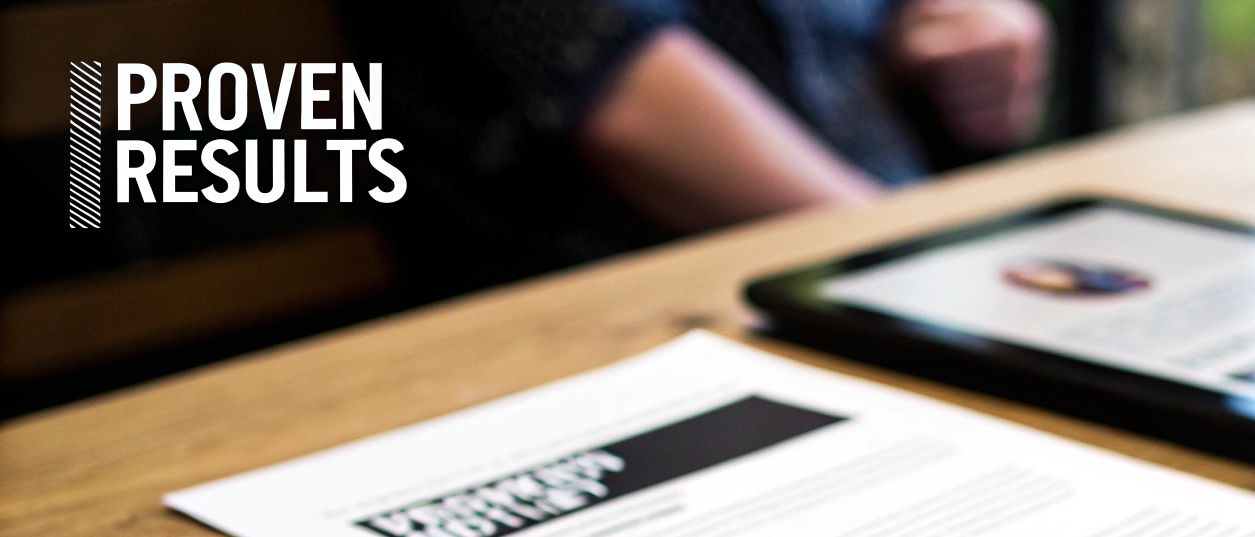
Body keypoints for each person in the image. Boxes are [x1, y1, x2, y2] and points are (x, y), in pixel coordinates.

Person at [344, 0, 1052, 295]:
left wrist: (964, 25)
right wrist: (931, 272)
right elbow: (628, 106)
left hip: (891, 257)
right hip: (618, 316)